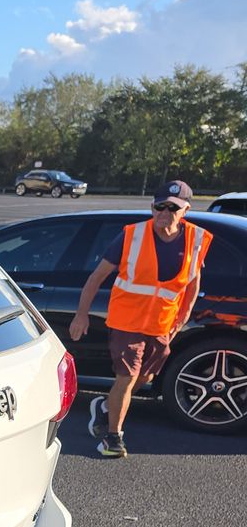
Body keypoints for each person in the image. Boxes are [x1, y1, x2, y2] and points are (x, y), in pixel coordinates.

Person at [69, 180, 211, 457]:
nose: (165, 212)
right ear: (152, 207)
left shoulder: (196, 240)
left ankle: (105, 407)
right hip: (126, 322)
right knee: (126, 376)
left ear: (185, 211)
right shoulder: (132, 236)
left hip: (162, 324)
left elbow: (192, 286)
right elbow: (96, 277)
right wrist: (81, 315)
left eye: (173, 208)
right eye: (160, 206)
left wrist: (180, 322)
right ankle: (112, 438)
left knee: (142, 378)